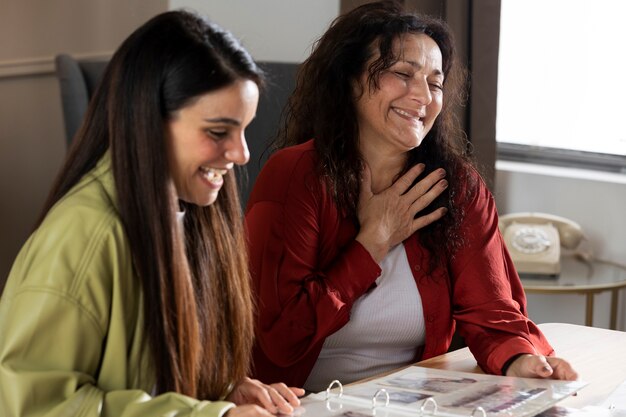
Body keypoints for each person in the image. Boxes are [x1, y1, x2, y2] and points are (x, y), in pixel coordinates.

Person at [245, 1, 578, 393]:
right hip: (307, 401)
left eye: (435, 83)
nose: (423, 95)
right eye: (402, 73)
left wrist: (520, 360)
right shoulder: (294, 175)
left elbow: (492, 312)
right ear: (349, 81)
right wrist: (372, 242)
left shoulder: (457, 185)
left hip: (414, 402)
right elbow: (282, 337)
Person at [0, 10, 304, 417]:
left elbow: (156, 376)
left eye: (244, 129)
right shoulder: (83, 235)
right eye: (218, 132)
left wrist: (224, 392)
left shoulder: (192, 212)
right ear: (148, 122)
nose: (242, 153)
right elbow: (36, 406)